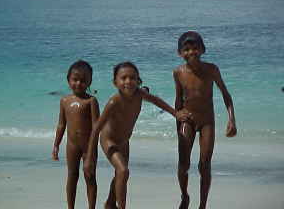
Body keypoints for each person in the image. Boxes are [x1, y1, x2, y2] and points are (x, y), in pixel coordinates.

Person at [84, 61, 179, 209]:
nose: (128, 81)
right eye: (123, 78)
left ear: (138, 81)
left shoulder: (140, 94)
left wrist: (176, 114)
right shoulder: (114, 102)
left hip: (124, 141)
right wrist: (90, 156)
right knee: (123, 171)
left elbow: (158, 102)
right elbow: (97, 128)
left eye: (132, 78)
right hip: (109, 140)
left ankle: (110, 203)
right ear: (115, 83)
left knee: (120, 174)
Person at [173, 31, 237, 209]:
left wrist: (231, 120)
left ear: (202, 50)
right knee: (183, 164)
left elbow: (226, 94)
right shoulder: (178, 72)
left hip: (207, 120)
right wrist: (177, 120)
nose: (191, 52)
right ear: (180, 53)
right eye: (186, 49)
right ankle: (185, 196)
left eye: (195, 48)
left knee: (204, 164)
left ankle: (202, 205)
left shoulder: (212, 69)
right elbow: (178, 100)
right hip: (187, 119)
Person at [52, 60, 100, 209]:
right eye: (75, 80)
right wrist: (56, 145)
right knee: (72, 176)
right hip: (71, 146)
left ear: (89, 82)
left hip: (88, 147)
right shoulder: (64, 101)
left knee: (90, 177)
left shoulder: (91, 101)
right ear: (68, 80)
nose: (78, 83)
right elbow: (61, 125)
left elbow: (96, 128)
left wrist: (91, 152)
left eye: (83, 80)